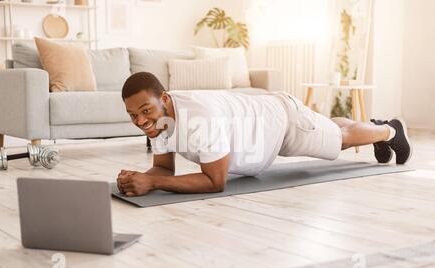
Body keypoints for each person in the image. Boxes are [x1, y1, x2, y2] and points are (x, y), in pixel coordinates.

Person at [117, 72, 412, 197]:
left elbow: (215, 181)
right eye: (133, 115)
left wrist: (153, 182)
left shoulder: (199, 118)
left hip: (282, 123)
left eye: (145, 111)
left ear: (165, 98)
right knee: (333, 130)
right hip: (262, 131)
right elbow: (164, 167)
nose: (141, 121)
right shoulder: (158, 121)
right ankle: (372, 127)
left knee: (340, 139)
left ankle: (390, 129)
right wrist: (141, 178)